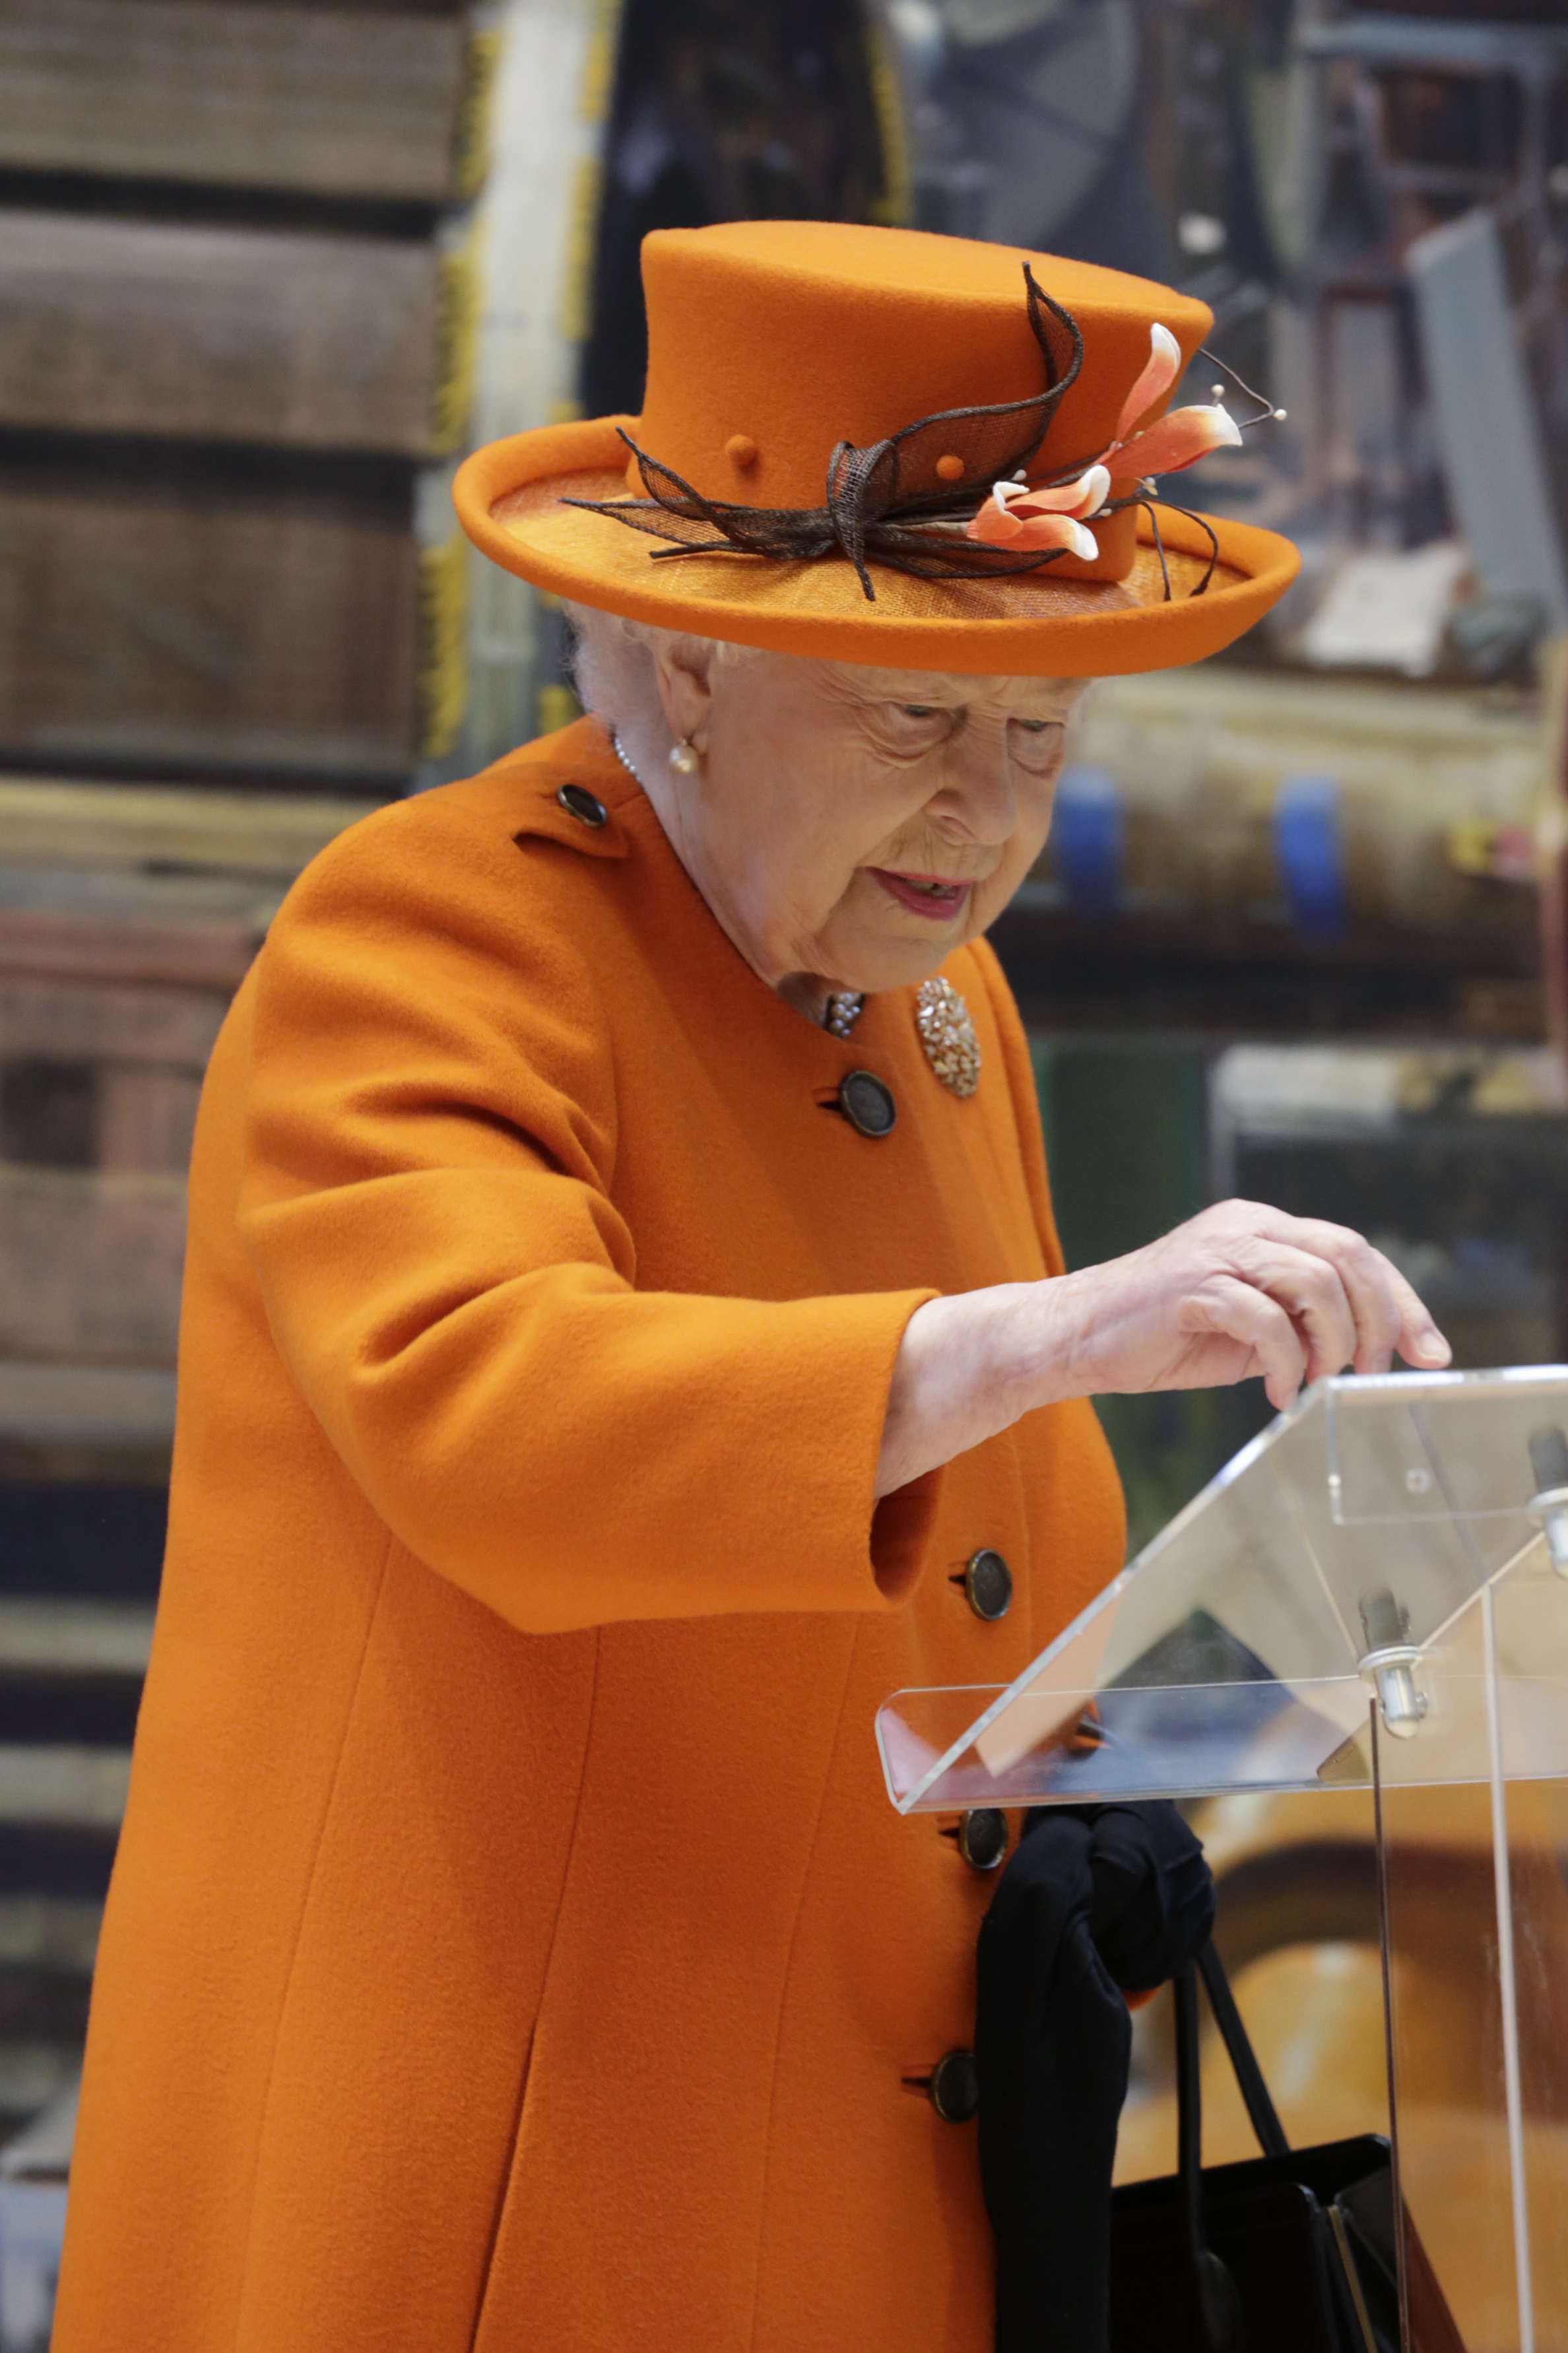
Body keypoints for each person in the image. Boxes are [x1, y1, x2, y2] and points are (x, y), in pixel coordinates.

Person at [53, 221, 1447, 2353]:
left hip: (863, 2201)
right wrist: (1063, 1334)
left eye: (1044, 741)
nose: (988, 817)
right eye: (918, 716)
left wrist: (1148, 1751)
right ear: (686, 665)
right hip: (519, 2217)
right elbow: (496, 1418)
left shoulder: (936, 989)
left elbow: (974, 1563)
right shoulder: (432, 929)